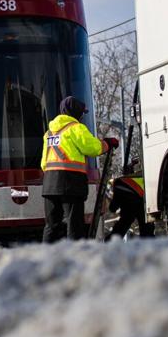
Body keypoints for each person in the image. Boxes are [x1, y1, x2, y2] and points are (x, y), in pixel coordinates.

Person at [41, 96, 118, 242]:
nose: (82, 116)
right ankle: (76, 258)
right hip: (71, 183)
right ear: (75, 112)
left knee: (51, 225)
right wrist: (107, 144)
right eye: (81, 112)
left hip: (49, 185)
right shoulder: (76, 129)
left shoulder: (49, 134)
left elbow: (43, 163)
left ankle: (45, 259)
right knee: (74, 224)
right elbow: (92, 148)